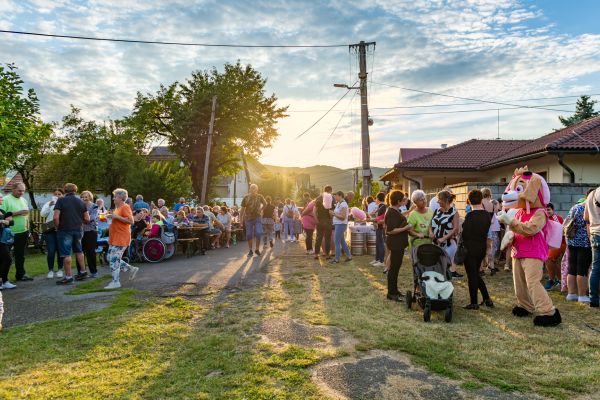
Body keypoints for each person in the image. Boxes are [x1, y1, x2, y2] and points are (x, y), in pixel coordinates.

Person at [462, 189, 494, 309]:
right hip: (481, 247)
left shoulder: (470, 216)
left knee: (472, 276)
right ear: (481, 200)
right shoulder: (487, 215)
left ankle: (474, 302)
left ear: (469, 201)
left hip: (470, 249)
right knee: (475, 274)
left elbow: (465, 235)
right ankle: (487, 299)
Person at [54, 183, 90, 285]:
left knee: (66, 253)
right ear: (75, 190)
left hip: (65, 230)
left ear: (65, 190)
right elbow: (87, 219)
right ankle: (83, 272)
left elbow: (56, 217)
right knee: (79, 251)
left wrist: (57, 227)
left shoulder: (60, 200)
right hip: (78, 229)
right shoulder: (81, 201)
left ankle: (68, 276)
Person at [105, 188, 139, 289]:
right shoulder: (117, 208)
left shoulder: (125, 207)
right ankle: (131, 269)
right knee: (109, 258)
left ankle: (115, 282)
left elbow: (131, 221)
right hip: (114, 237)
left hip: (121, 237)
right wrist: (111, 217)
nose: (113, 198)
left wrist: (116, 217)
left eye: (115, 196)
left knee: (114, 259)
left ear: (120, 198)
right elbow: (116, 220)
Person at [384, 190, 412, 302]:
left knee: (395, 268)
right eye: (403, 199)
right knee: (393, 269)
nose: (405, 201)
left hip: (398, 244)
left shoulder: (394, 211)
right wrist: (406, 228)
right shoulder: (391, 212)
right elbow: (391, 230)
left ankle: (394, 290)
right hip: (396, 244)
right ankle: (391, 293)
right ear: (398, 201)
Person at [2, 183, 32, 281]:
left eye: (23, 191)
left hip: (23, 231)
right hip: (9, 233)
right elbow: (2, 215)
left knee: (20, 255)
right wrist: (18, 213)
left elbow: (26, 214)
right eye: (20, 191)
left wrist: (28, 227)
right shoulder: (6, 199)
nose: (22, 193)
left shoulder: (23, 200)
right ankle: (3, 278)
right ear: (13, 189)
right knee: (4, 257)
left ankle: (20, 275)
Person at [430, 190, 463, 278]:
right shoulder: (437, 211)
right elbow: (430, 223)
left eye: (439, 199)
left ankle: (444, 284)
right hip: (436, 243)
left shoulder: (454, 212)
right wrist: (430, 232)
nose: (437, 201)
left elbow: (456, 228)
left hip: (448, 244)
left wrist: (444, 238)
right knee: (436, 266)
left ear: (446, 200)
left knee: (443, 265)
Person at [566, 198, 591, 303]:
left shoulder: (575, 207)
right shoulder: (588, 208)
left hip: (571, 241)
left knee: (572, 268)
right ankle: (582, 295)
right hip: (584, 242)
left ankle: (571, 294)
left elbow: (566, 221)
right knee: (582, 270)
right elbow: (589, 226)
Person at [41, 188, 65, 279]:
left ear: (63, 195)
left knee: (60, 250)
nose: (57, 196)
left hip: (61, 229)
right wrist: (49, 205)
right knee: (51, 251)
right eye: (56, 194)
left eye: (59, 194)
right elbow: (43, 214)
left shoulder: (65, 203)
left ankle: (60, 269)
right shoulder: (48, 203)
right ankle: (50, 270)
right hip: (50, 230)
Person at [77, 191, 99, 277]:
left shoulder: (94, 206)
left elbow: (91, 218)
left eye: (86, 197)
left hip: (91, 231)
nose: (84, 198)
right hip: (80, 231)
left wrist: (82, 219)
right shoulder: (78, 206)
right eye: (82, 197)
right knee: (80, 252)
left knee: (91, 252)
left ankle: (94, 272)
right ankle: (81, 272)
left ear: (90, 197)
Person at [585, 187, 600, 308]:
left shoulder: (591, 195)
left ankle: (593, 299)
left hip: (594, 233)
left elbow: (586, 217)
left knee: (595, 268)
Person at [544, 203, 565, 290]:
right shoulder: (542, 218)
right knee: (553, 261)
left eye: (548, 209)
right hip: (547, 244)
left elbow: (560, 233)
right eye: (545, 210)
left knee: (549, 259)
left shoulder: (557, 218)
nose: (547, 211)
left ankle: (552, 280)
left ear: (553, 210)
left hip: (559, 243)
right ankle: (559, 280)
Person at [482, 188, 501, 275]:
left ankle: (482, 268)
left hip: (483, 227)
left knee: (482, 247)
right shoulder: (493, 204)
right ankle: (492, 267)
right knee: (491, 248)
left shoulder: (481, 202)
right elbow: (495, 214)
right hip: (491, 227)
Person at [331, 191, 352, 264]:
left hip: (341, 224)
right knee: (342, 241)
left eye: (336, 196)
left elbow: (343, 217)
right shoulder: (339, 203)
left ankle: (337, 259)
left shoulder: (343, 204)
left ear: (340, 196)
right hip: (338, 224)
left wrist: (333, 214)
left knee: (336, 241)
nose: (335, 197)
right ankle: (349, 256)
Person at [314, 186, 334, 260]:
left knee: (319, 237)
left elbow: (314, 211)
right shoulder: (331, 198)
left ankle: (316, 254)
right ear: (330, 190)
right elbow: (331, 212)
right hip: (327, 221)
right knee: (327, 238)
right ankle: (327, 255)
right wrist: (331, 218)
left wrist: (316, 220)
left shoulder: (318, 198)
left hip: (319, 220)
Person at [0, 194, 15, 289]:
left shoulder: (2, 211)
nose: (2, 199)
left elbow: (11, 222)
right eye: (0, 197)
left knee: (4, 260)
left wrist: (6, 221)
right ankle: (3, 281)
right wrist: (2, 221)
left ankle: (4, 281)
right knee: (7, 259)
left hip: (3, 239)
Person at [371, 192, 387, 268]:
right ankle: (377, 259)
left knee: (380, 243)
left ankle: (381, 260)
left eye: (376, 199)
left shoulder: (383, 206)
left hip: (380, 227)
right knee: (378, 243)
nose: (375, 200)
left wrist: (369, 219)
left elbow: (379, 218)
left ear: (378, 199)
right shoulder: (380, 206)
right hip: (378, 227)